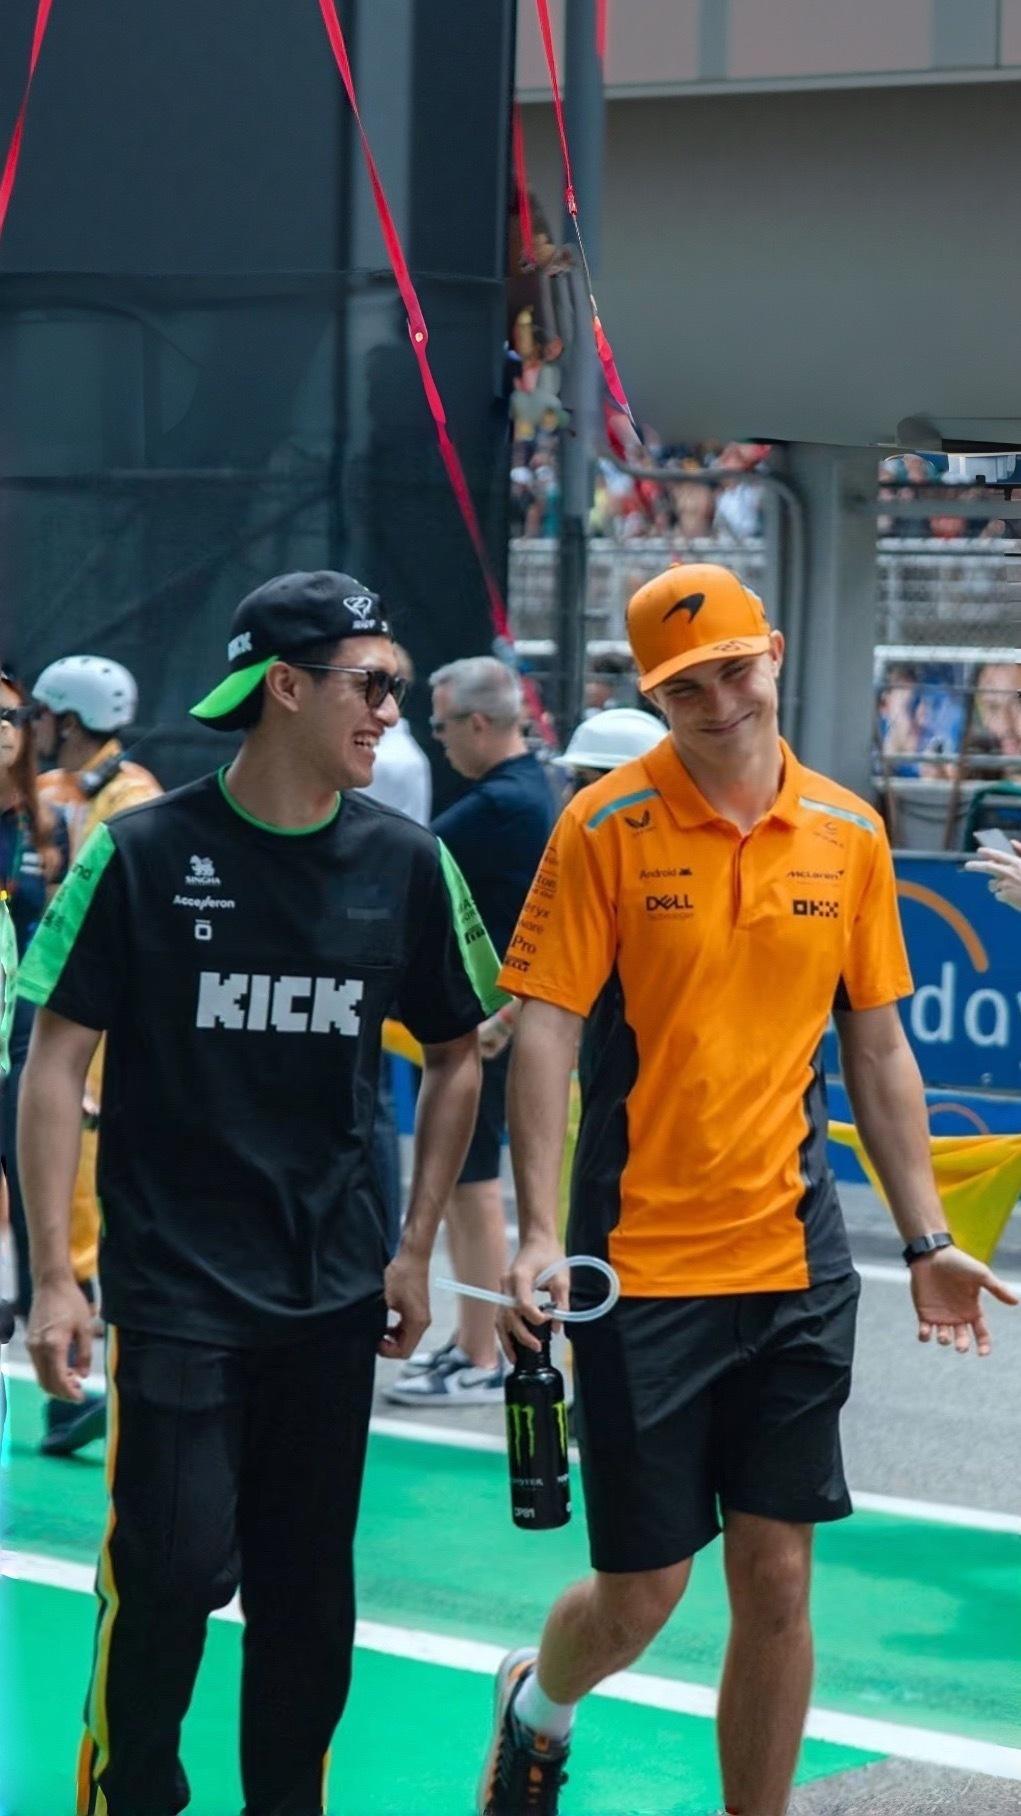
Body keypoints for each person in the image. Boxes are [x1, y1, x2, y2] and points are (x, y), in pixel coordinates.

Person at [477, 562, 1018, 1816]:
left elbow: (877, 1045)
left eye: (733, 670)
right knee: (643, 1594)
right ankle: (537, 1704)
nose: (719, 703)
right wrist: (539, 1230)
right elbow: (546, 1030)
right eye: (685, 688)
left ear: (772, 651)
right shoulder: (602, 826)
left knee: (777, 1578)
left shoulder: (848, 830)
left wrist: (926, 1236)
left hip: (794, 1262)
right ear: (650, 697)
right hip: (639, 1265)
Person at [16, 570, 504, 1816]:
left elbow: (461, 1052)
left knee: (305, 1589)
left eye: (397, 686)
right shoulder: (140, 852)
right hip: (175, 1283)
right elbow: (54, 1057)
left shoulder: (407, 862)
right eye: (371, 684)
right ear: (286, 686)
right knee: (171, 1569)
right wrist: (56, 1280)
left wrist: (413, 1247)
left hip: (332, 1287)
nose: (390, 710)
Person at [387, 655, 555, 1407]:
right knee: (464, 1178)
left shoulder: (503, 806)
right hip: (494, 1017)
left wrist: (506, 1012)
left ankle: (483, 1352)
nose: (439, 738)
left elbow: (405, 860)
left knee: (473, 1180)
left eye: (442, 725)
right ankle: (472, 1342)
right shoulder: (525, 792)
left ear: (479, 723)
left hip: (493, 1025)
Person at [31, 653, 162, 1455]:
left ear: (69, 720)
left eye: (42, 716)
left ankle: (88, 1376)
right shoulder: (68, 790)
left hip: (104, 1036)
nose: (34, 730)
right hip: (80, 1023)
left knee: (82, 1205)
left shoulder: (130, 797)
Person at [357, 640, 432, 1250]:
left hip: (367, 936)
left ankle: (380, 1230)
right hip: (374, 928)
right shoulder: (401, 753)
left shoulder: (386, 758)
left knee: (372, 1091)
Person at [0, 670, 68, 1325]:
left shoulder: (46, 825)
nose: (2, 730)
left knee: (28, 1174)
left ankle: (42, 1296)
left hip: (20, 1032)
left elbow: (55, 943)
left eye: (12, 717)